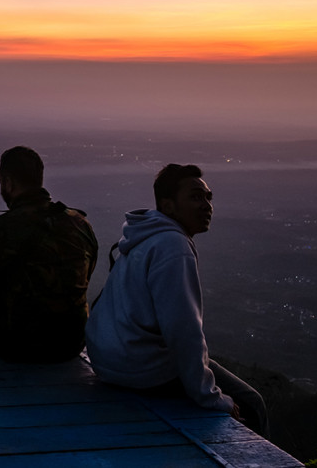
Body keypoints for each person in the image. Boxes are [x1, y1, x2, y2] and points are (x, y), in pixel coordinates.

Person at [85, 164, 269, 437]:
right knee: (252, 404)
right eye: (195, 197)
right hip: (140, 369)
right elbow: (183, 331)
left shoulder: (144, 236)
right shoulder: (173, 246)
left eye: (208, 197)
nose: (206, 205)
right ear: (168, 206)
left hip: (109, 362)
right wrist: (210, 397)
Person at [0, 146, 99, 362]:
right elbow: (88, 272)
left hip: (16, 344)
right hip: (71, 342)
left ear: (8, 182)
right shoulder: (79, 224)